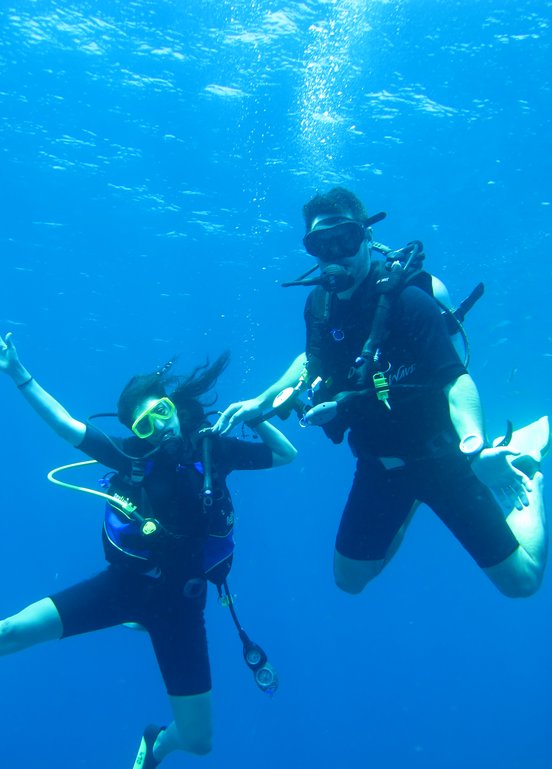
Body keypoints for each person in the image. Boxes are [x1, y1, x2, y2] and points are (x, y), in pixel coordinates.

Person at [0, 324, 297, 769]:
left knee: (198, 741)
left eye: (163, 411)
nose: (160, 425)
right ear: (136, 432)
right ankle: (132, 622)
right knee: (6, 632)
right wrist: (19, 373)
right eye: (144, 423)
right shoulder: (130, 457)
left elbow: (286, 454)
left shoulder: (213, 447)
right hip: (125, 587)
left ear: (174, 407)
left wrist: (256, 413)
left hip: (182, 606)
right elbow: (66, 425)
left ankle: (154, 747)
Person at [214, 186, 548, 599]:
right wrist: (263, 399)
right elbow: (312, 360)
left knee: (521, 582)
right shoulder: (319, 305)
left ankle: (526, 471)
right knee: (349, 579)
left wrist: (474, 445)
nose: (335, 253)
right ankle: (411, 502)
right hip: (381, 464)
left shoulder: (408, 300)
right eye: (322, 244)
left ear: (367, 238)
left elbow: (456, 380)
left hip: (444, 458)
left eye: (346, 239)